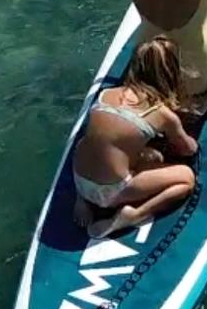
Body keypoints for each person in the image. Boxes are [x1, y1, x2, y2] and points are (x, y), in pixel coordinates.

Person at [72, 36, 199, 241]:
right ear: (171, 74)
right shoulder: (162, 114)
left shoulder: (105, 94)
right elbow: (187, 149)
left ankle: (82, 199)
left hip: (79, 176)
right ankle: (133, 215)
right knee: (186, 178)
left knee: (102, 146)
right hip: (110, 191)